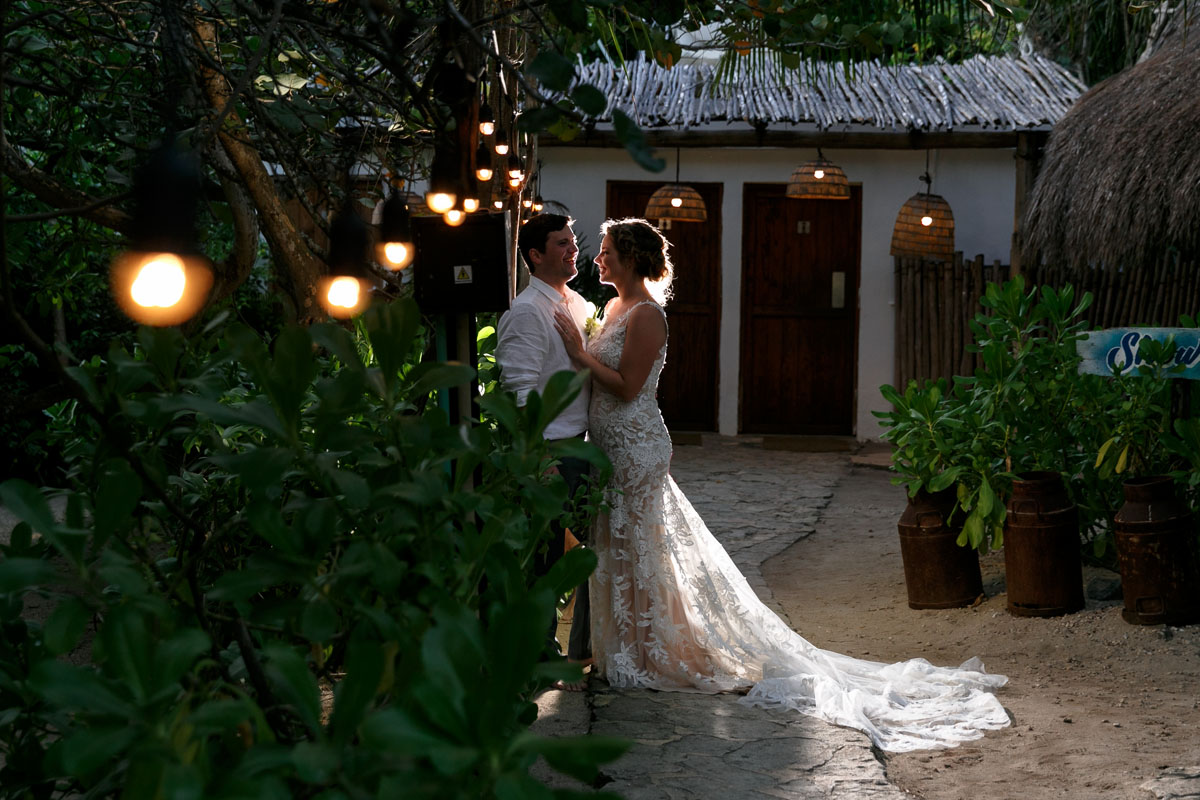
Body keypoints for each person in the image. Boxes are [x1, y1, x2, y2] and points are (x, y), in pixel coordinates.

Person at [553, 217, 1011, 753]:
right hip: (612, 445)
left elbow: (629, 388)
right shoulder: (611, 309)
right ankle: (627, 646)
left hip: (635, 447)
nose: (598, 259)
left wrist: (578, 354)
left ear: (630, 257)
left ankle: (650, 651)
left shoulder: (648, 315)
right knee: (619, 545)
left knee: (640, 544)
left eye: (606, 251)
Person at [495, 213, 593, 682]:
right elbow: (519, 389)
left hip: (584, 446)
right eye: (561, 244)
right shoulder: (526, 311)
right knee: (545, 558)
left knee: (581, 556)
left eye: (573, 241)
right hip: (551, 450)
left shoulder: (576, 302)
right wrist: (536, 459)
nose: (573, 250)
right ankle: (539, 652)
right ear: (535, 255)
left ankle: (581, 646)